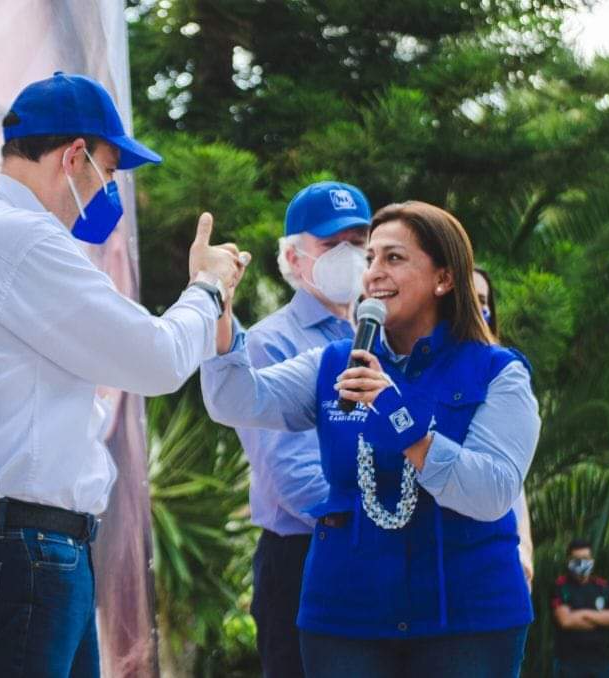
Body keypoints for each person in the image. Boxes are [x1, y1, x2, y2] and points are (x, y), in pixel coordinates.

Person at [0, 71, 247, 677]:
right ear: (75, 155)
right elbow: (156, 358)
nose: (111, 190)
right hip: (27, 550)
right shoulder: (22, 240)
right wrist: (206, 289)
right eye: (109, 169)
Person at [202, 201, 540, 677]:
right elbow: (236, 400)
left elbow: (494, 493)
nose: (373, 272)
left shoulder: (499, 373)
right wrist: (218, 301)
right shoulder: (335, 363)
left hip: (469, 619)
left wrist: (404, 426)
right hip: (347, 616)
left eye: (394, 258)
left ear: (444, 278)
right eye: (372, 258)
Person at [235, 181, 370, 677]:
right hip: (303, 556)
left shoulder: (385, 335)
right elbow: (292, 474)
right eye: (332, 245)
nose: (350, 256)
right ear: (293, 259)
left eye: (359, 242)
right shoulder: (269, 343)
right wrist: (378, 524)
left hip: (373, 547)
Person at [473, 266, 536, 588]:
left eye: (482, 301)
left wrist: (524, 548)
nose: (476, 309)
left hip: (501, 551)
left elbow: (513, 480)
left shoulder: (505, 374)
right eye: (467, 298)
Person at [551, 538, 609, 678]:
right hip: (569, 664)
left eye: (585, 558)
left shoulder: (603, 586)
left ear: (592, 560)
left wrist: (583, 614)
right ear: (568, 561)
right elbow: (566, 621)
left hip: (600, 663)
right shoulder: (561, 586)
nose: (581, 563)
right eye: (576, 559)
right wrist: (601, 620)